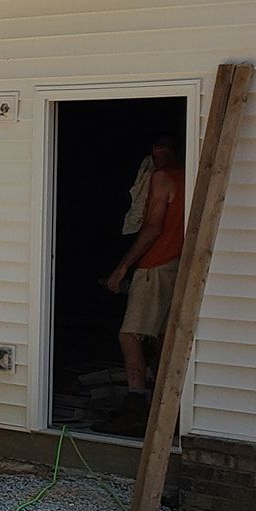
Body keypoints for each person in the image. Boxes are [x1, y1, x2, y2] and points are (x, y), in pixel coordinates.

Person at [102, 133, 185, 415]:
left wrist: (122, 267)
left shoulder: (162, 177)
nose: (156, 153)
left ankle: (136, 403)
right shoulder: (189, 174)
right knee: (161, 335)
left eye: (159, 147)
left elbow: (152, 227)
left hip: (156, 265)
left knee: (131, 335)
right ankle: (166, 404)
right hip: (176, 263)